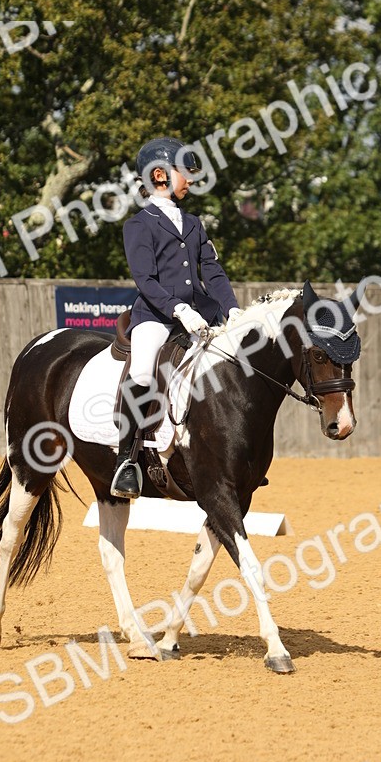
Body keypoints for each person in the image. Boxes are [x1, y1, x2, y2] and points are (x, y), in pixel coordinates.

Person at [111, 136, 243, 499]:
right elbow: (145, 280)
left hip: (199, 313)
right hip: (156, 315)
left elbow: (212, 272)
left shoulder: (194, 223)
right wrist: (178, 309)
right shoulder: (139, 225)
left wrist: (231, 307)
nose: (191, 181)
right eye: (185, 174)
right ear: (160, 175)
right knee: (141, 370)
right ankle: (127, 460)